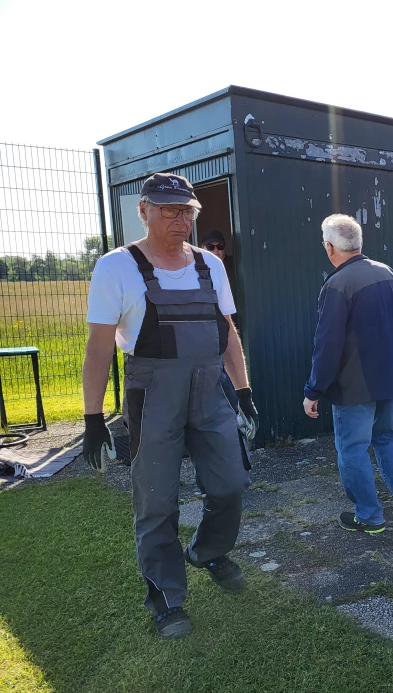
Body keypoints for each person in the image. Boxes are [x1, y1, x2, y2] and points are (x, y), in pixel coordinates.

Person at [82, 173, 260, 640]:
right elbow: (98, 347)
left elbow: (227, 331)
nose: (181, 219)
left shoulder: (209, 265)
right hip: (152, 394)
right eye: (168, 210)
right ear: (144, 211)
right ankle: (166, 597)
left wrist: (243, 391)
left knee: (231, 483)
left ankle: (208, 551)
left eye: (187, 211)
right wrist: (93, 417)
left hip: (210, 390)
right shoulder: (116, 267)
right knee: (156, 499)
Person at [303, 214, 393, 533]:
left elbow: (327, 344)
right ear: (358, 242)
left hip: (355, 385)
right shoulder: (387, 273)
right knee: (386, 436)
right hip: (391, 377)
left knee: (352, 449)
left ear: (329, 247)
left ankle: (369, 516)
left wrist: (314, 390)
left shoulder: (337, 284)